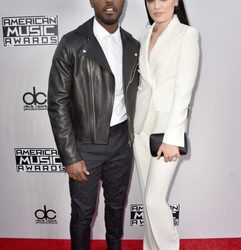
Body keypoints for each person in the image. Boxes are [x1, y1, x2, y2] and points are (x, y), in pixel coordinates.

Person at [47, 0, 139, 249]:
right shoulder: (72, 43)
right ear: (91, 1)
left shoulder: (133, 45)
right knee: (82, 214)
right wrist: (70, 156)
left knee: (117, 209)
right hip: (84, 146)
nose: (110, 2)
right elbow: (57, 103)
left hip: (122, 142)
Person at [133, 0, 200, 249]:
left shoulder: (187, 35)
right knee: (147, 202)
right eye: (151, 0)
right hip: (141, 129)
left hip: (166, 130)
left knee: (153, 201)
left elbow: (184, 90)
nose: (157, 5)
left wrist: (174, 137)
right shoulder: (144, 34)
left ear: (176, 1)